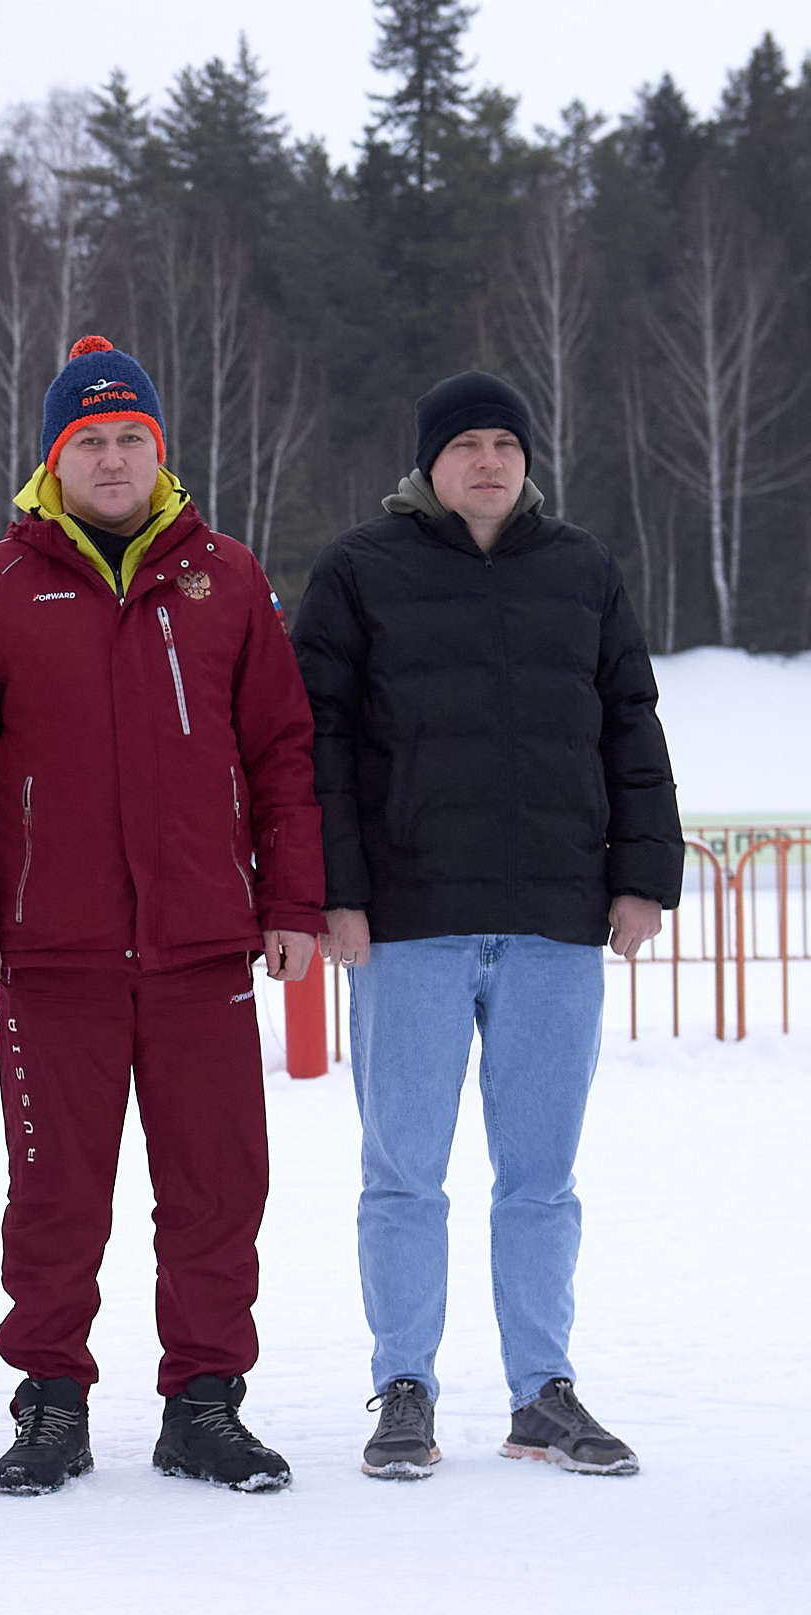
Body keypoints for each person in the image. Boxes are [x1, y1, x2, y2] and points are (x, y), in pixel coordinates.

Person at [0, 336, 323, 1496]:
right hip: (53, 953)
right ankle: (51, 1401)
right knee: (53, 1193)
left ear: (159, 450)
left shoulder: (226, 579)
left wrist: (288, 898)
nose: (109, 458)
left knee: (216, 1186)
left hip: (202, 949)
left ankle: (203, 1401)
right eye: (86, 441)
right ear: (53, 460)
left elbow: (283, 755)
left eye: (128, 438)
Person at [291, 370, 679, 1480]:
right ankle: (403, 1385)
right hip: (409, 921)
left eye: (505, 442)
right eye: (465, 443)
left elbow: (630, 727)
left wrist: (640, 875)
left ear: (526, 459)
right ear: (428, 462)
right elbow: (316, 741)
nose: (488, 461)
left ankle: (541, 1393)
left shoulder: (582, 569)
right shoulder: (362, 572)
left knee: (540, 1176)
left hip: (556, 920)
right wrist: (339, 892)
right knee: (403, 1172)